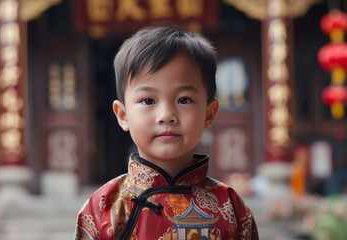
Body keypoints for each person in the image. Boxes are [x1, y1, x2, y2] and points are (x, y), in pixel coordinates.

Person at [73, 24, 259, 240]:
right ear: (123, 115)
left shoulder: (231, 207)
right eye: (148, 100)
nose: (167, 114)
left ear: (209, 114)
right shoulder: (103, 207)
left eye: (184, 100)